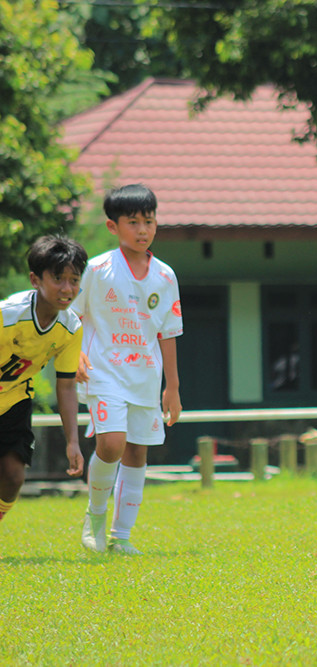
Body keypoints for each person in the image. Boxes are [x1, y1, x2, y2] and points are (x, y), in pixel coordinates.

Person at [76, 183, 184, 555]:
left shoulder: (166, 276)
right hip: (104, 372)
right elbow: (70, 316)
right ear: (113, 226)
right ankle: (94, 518)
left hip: (146, 377)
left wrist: (172, 387)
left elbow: (168, 332)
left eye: (149, 221)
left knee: (137, 453)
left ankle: (121, 538)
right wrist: (73, 356)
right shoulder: (97, 269)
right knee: (111, 444)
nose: (142, 229)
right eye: (133, 222)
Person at [0, 236, 89, 529]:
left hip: (13, 400)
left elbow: (65, 386)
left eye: (74, 280)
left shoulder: (71, 327)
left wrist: (73, 441)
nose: (67, 288)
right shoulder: (7, 316)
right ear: (35, 279)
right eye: (58, 279)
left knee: (13, 476)